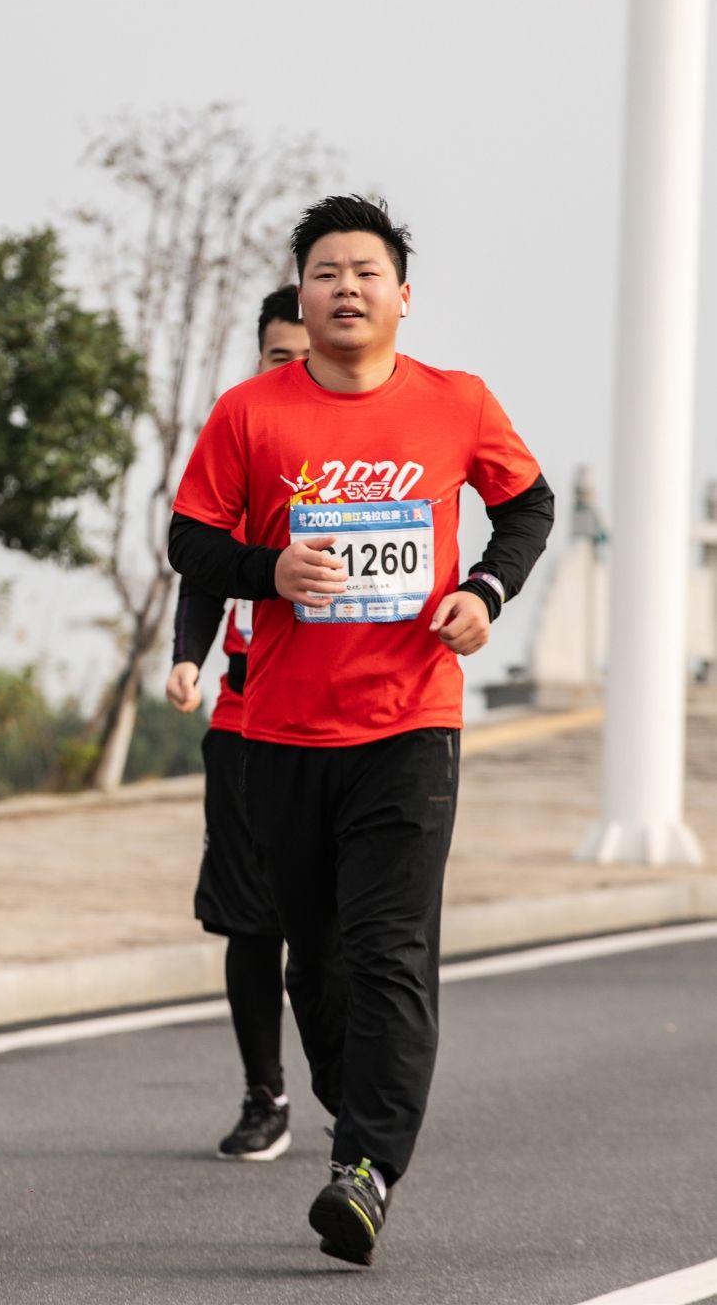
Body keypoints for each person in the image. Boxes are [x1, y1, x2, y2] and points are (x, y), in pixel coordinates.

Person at [168, 196, 553, 1266]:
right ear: (301, 294)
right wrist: (271, 571)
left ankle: (368, 1169)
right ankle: (359, 1107)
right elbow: (190, 542)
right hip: (283, 734)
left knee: (391, 953)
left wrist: (485, 588)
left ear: (402, 296)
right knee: (317, 964)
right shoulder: (250, 414)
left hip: (408, 725)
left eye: (365, 271)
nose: (345, 287)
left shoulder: (456, 402)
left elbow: (527, 506)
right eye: (326, 272)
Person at [165, 284, 308, 1161]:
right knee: (251, 923)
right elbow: (204, 566)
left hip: (347, 731)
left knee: (337, 932)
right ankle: (266, 1094)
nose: (293, 372)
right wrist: (189, 653)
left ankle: (359, 1091)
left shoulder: (372, 466)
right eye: (277, 357)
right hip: (246, 722)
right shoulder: (245, 450)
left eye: (307, 358)